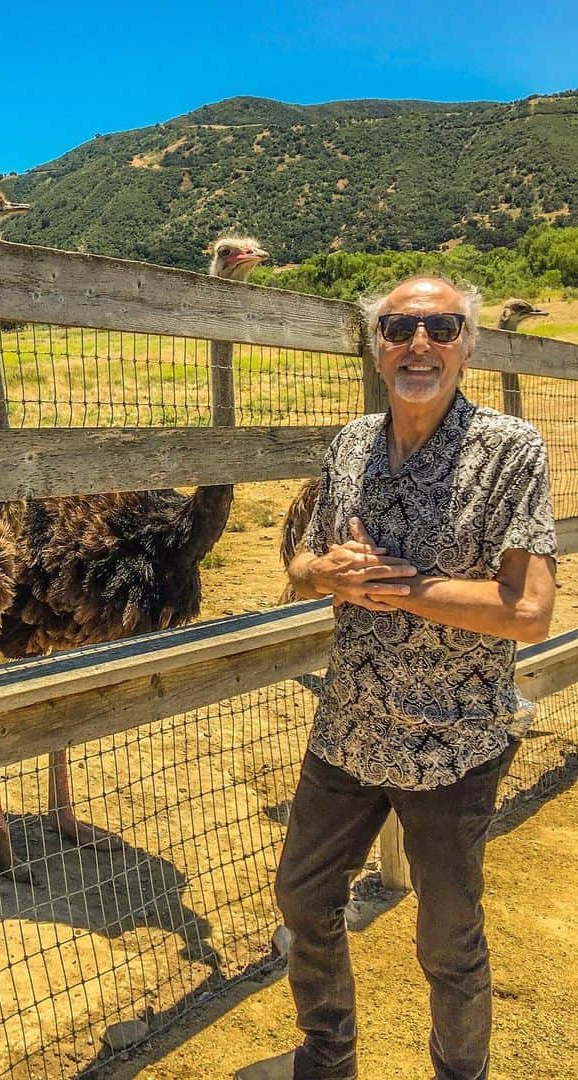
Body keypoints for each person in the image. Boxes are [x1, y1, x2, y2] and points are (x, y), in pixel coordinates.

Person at [236, 276, 557, 1080]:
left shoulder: (509, 450)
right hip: (347, 726)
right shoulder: (349, 444)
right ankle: (326, 1058)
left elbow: (529, 613)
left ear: (467, 344)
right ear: (378, 347)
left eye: (441, 327)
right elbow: (306, 563)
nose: (421, 343)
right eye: (400, 328)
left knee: (447, 940)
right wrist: (328, 571)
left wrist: (403, 588)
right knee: (306, 899)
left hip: (452, 741)